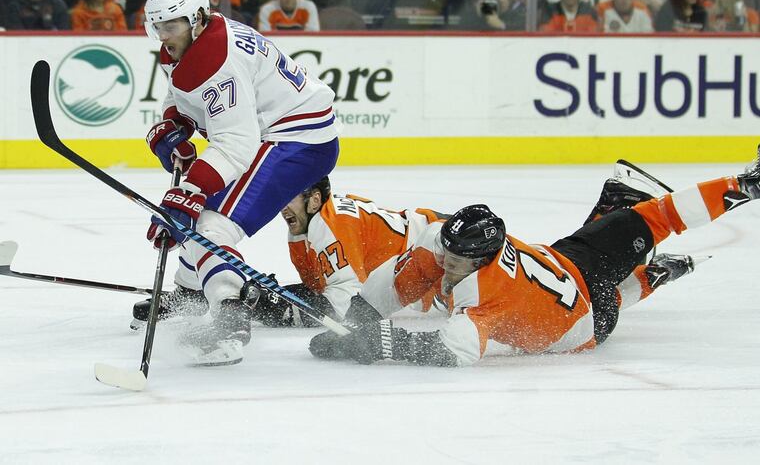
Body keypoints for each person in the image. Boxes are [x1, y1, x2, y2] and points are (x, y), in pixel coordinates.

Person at [309, 147, 760, 367]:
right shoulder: (447, 246)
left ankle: (656, 270)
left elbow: (456, 350)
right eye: (447, 248)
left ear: (484, 259)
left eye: (461, 260)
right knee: (638, 225)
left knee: (641, 238)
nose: (447, 261)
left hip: (586, 317)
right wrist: (361, 318)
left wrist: (382, 343)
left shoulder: (486, 294)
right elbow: (395, 282)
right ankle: (655, 259)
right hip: (568, 270)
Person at [131, 159, 673, 331]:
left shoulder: (326, 230)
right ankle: (629, 226)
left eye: (291, 194)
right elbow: (329, 286)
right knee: (565, 269)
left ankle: (631, 215)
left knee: (556, 276)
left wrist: (263, 303)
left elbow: (344, 310)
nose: (279, 202)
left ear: (317, 197)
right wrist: (261, 295)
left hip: (435, 259)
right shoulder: (316, 221)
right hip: (424, 253)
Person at [141, 0, 339, 366]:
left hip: (298, 141)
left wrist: (190, 192)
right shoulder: (189, 43)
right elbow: (180, 93)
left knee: (210, 222)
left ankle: (230, 318)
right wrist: (173, 124)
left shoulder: (218, 58)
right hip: (275, 134)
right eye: (157, 24)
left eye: (172, 24)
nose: (164, 34)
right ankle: (192, 293)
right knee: (196, 216)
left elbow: (236, 144)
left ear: (197, 18)